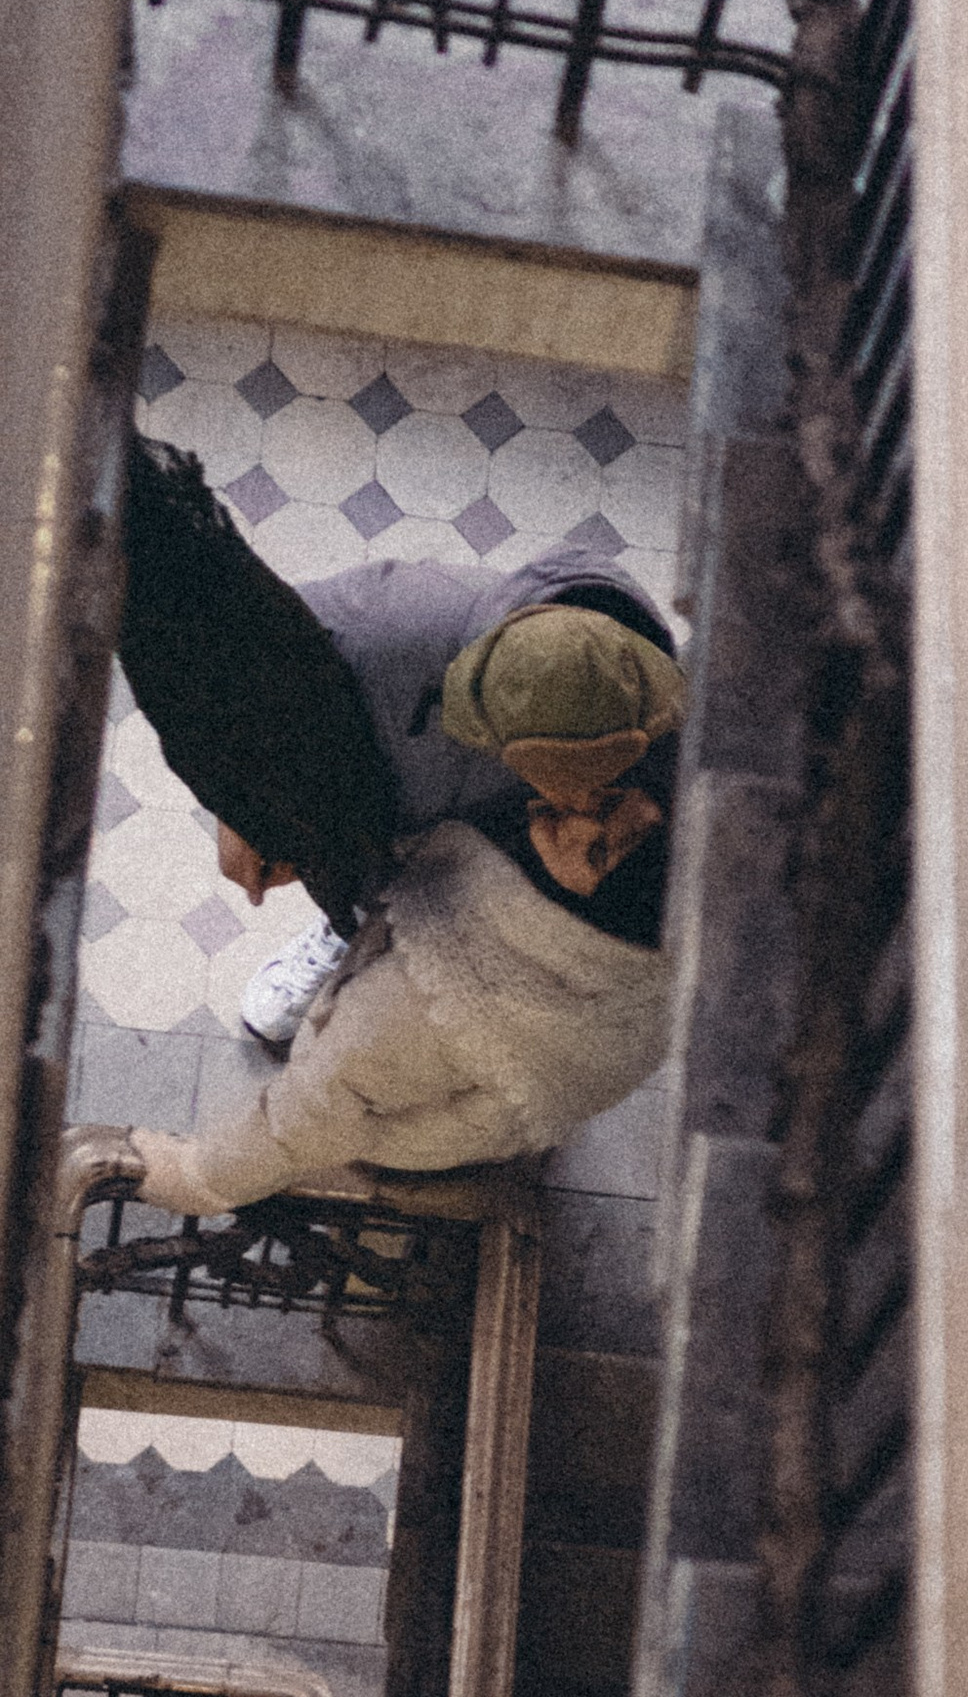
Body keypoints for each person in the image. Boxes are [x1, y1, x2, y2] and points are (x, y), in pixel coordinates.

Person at [111, 444, 688, 1216]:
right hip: (445, 884)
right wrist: (243, 813)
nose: (595, 803)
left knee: (373, 1090)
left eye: (601, 805)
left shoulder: (422, 1006)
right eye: (582, 790)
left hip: (477, 1037)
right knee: (356, 884)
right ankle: (347, 929)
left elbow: (317, 1105)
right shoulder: (381, 642)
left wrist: (202, 1179)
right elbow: (248, 672)